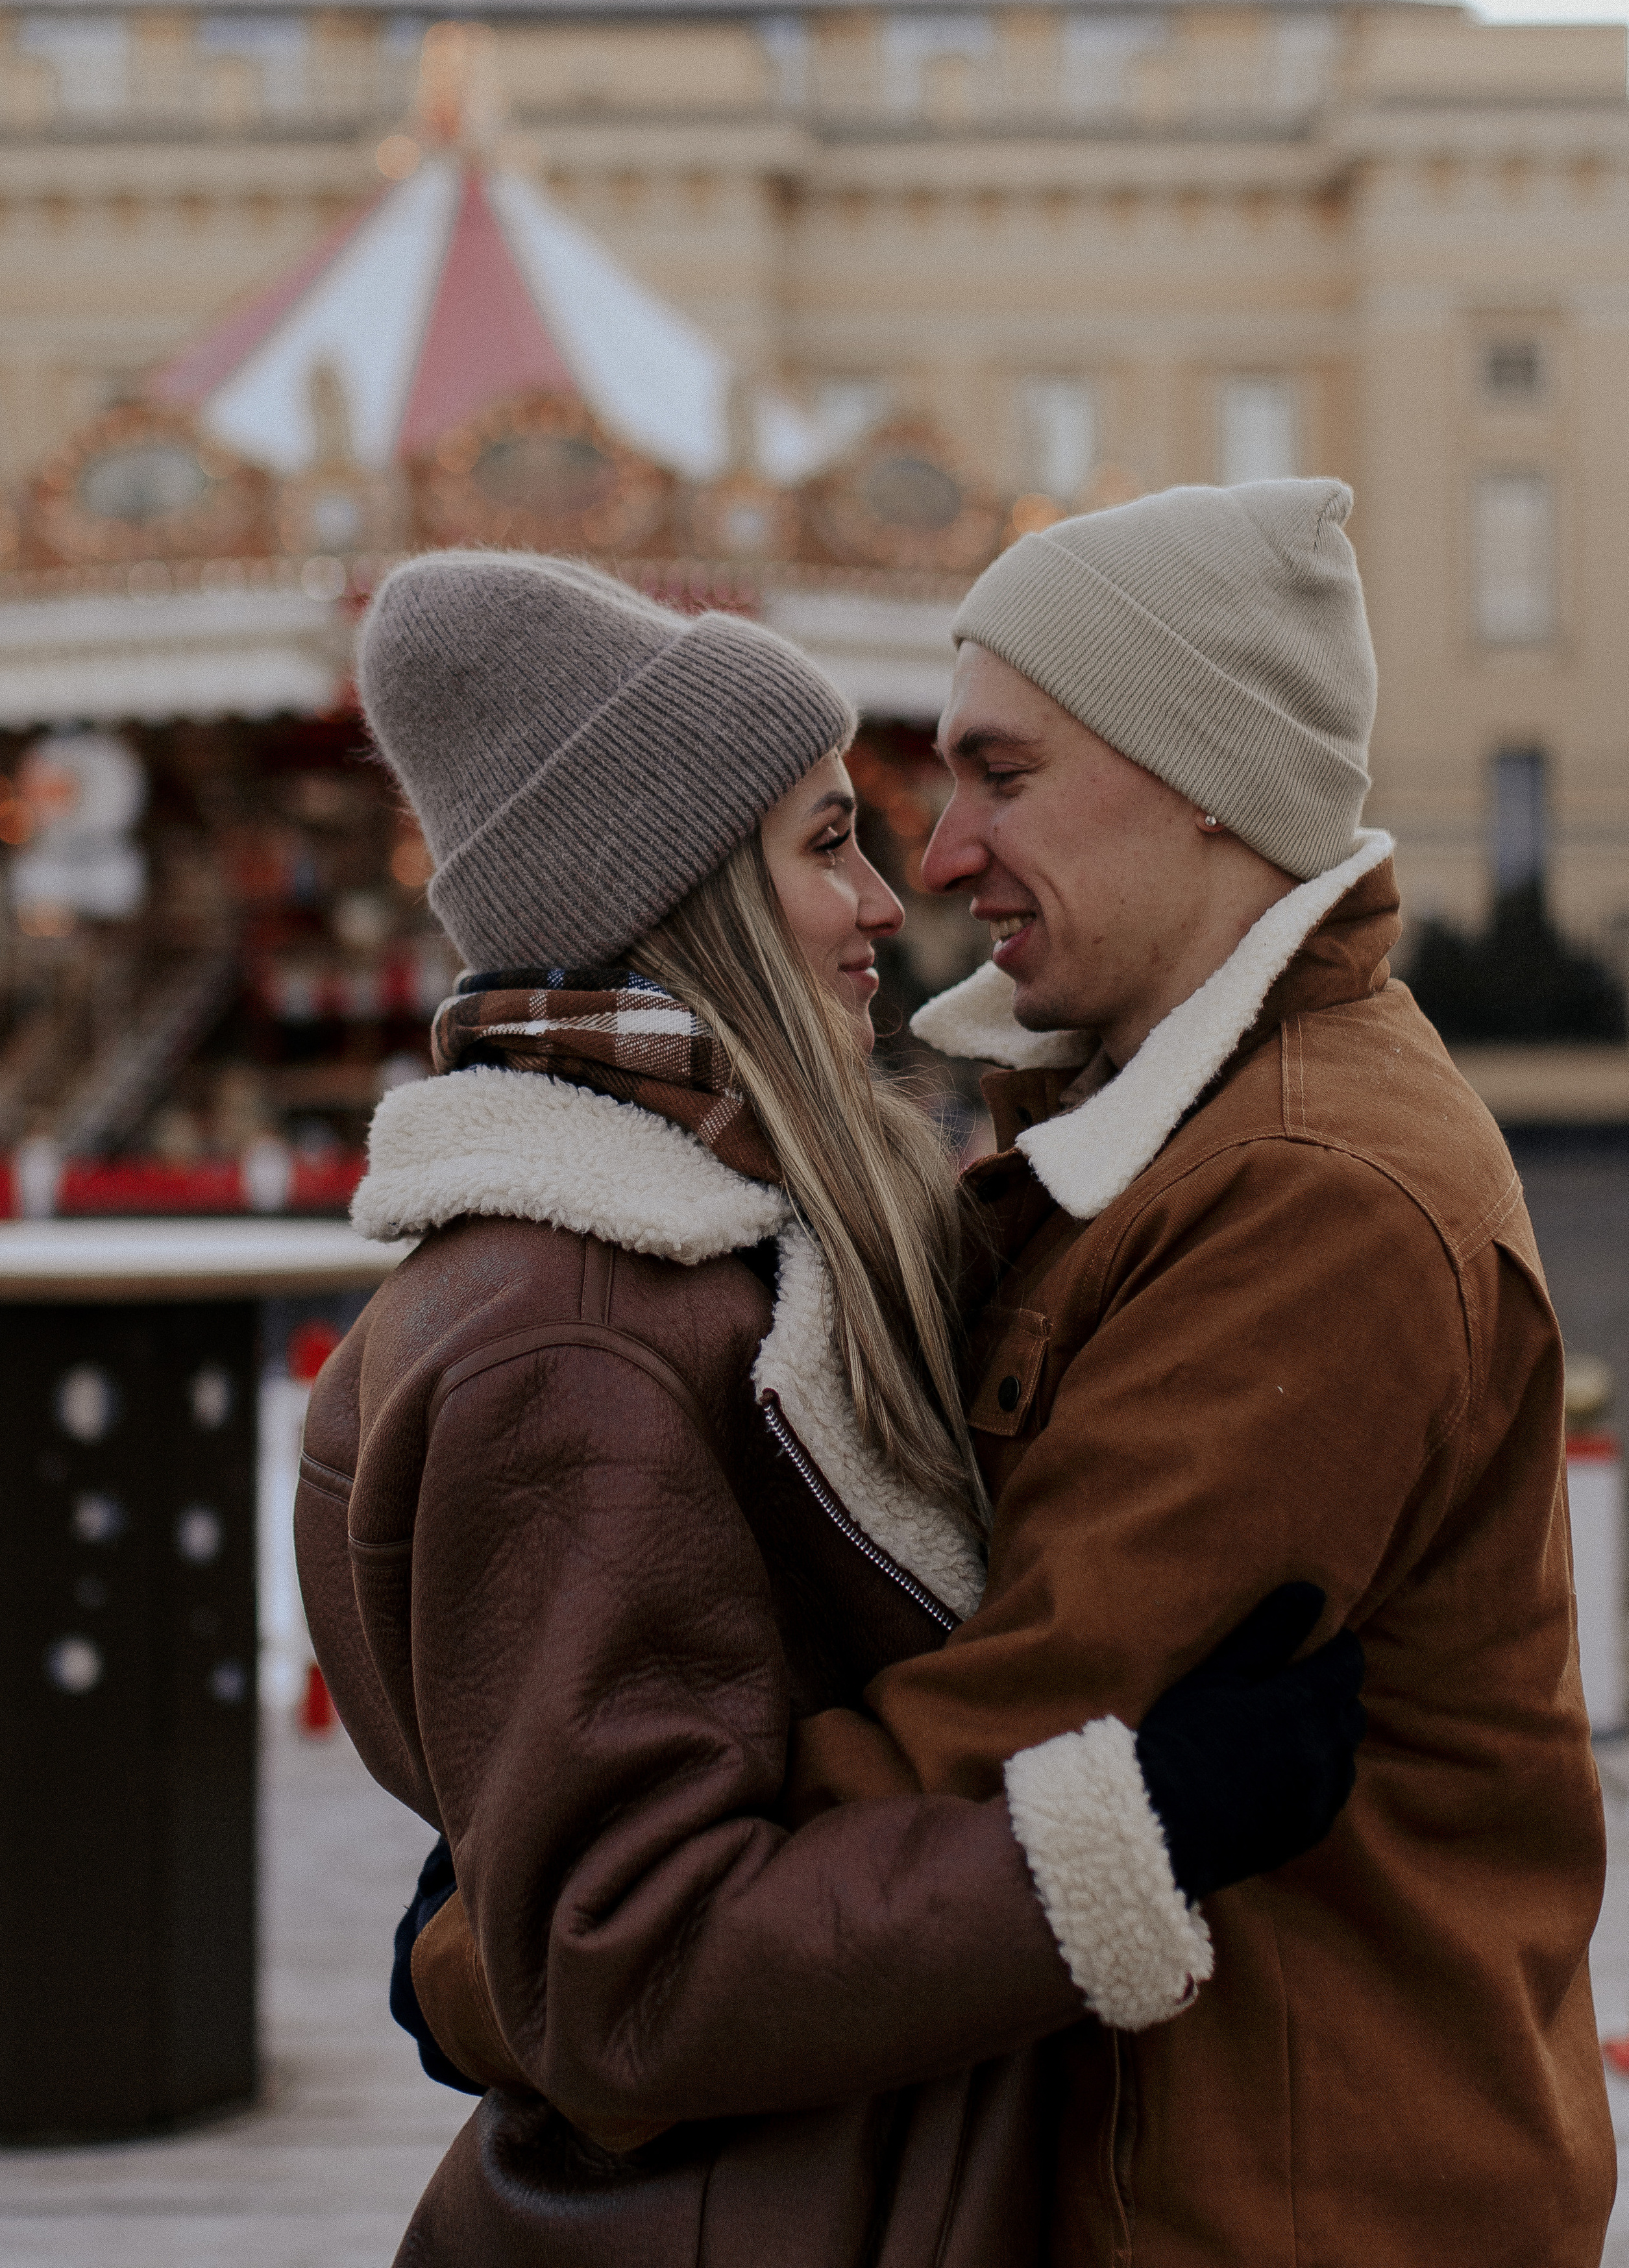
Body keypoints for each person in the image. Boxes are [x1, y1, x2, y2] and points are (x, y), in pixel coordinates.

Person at [296, 550, 1364, 2267]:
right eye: (824, 844)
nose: (887, 899)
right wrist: (1138, 1832)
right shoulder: (575, 1333)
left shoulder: (712, 1258)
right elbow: (629, 1969)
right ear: (688, 896)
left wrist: (490, 1935)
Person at [798, 475, 1613, 2265]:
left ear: (1205, 777)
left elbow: (1008, 1736)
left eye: (1003, 776)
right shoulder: (1181, 1139)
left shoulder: (1306, 1193)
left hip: (1282, 2205)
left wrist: (565, 1945)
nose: (941, 855)